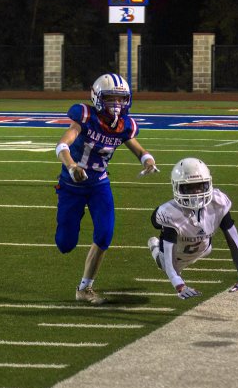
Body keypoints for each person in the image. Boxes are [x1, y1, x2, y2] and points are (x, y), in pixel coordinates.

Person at [55, 72, 160, 305]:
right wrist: (72, 167)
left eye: (121, 98)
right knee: (65, 243)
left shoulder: (124, 125)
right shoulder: (84, 116)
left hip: (99, 183)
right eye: (110, 98)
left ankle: (85, 288)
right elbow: (62, 145)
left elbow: (139, 150)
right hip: (72, 184)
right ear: (97, 97)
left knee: (105, 233)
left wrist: (148, 161)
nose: (116, 103)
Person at [148, 157, 238, 300]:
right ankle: (155, 248)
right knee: (164, 264)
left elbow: (235, 243)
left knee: (203, 245)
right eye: (189, 187)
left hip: (204, 247)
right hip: (178, 256)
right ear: (177, 187)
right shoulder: (169, 213)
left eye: (200, 186)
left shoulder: (218, 202)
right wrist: (179, 285)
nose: (195, 193)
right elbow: (170, 260)